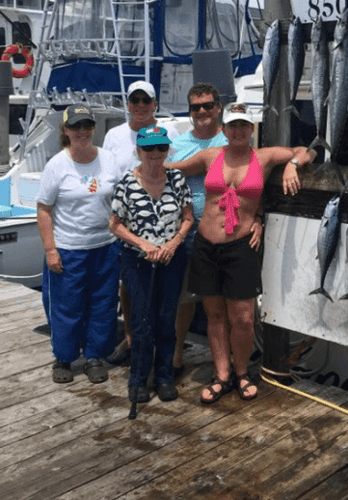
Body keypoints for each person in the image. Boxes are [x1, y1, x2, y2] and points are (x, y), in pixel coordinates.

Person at [166, 102, 315, 404]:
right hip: (207, 244)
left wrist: (292, 165)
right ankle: (222, 375)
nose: (237, 131)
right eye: (232, 125)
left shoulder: (264, 157)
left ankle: (243, 372)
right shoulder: (210, 156)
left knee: (244, 317)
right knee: (216, 315)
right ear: (224, 129)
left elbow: (306, 150)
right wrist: (146, 165)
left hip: (241, 246)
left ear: (251, 129)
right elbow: (174, 169)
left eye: (243, 126)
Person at [36, 104, 122, 384]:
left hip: (105, 246)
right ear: (66, 130)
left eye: (86, 125)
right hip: (69, 248)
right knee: (66, 306)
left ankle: (94, 356)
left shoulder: (109, 159)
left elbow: (120, 201)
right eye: (76, 126)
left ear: (94, 128)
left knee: (103, 303)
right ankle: (64, 357)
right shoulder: (57, 165)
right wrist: (51, 249)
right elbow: (44, 210)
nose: (82, 131)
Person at [110, 126, 193, 403]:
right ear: (139, 151)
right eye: (149, 148)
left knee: (166, 320)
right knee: (142, 321)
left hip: (171, 258)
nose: (155, 154)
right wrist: (144, 245)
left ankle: (164, 377)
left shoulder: (177, 179)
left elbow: (188, 218)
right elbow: (115, 225)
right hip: (138, 260)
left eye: (161, 148)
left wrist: (172, 244)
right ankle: (138, 380)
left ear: (167, 149)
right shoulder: (127, 182)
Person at [103, 80, 180, 365]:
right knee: (128, 283)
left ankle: (162, 347)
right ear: (127, 104)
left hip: (162, 223)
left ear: (154, 104)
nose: (139, 106)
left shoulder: (169, 131)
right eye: (134, 101)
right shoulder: (114, 134)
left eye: (145, 101)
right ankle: (131, 338)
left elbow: (175, 171)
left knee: (162, 289)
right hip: (125, 222)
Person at [167, 82, 228, 375]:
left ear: (218, 107)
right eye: (195, 107)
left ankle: (225, 363)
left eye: (207, 105)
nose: (202, 111)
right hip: (188, 232)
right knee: (185, 299)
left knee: (223, 302)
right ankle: (177, 354)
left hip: (226, 230)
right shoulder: (177, 145)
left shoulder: (233, 140)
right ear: (189, 111)